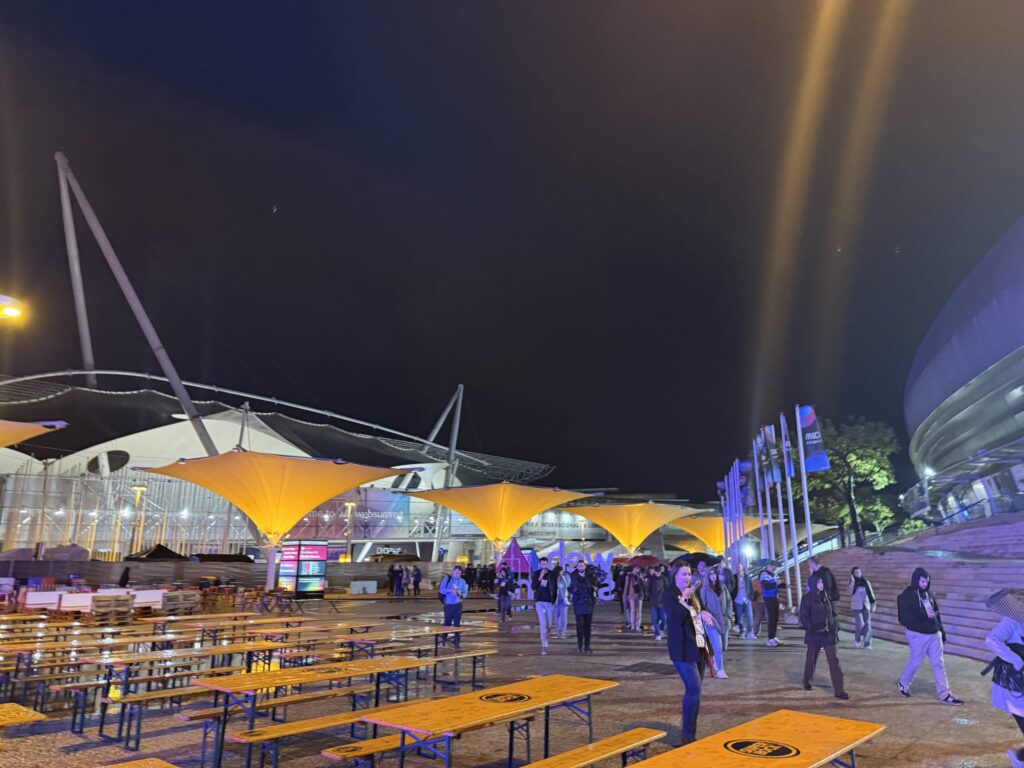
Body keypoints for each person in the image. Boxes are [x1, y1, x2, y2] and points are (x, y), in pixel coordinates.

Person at [664, 558, 713, 746]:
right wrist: (683, 598)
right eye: (683, 574)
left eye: (689, 574)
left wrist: (705, 612)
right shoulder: (668, 594)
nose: (687, 577)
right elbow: (676, 617)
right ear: (675, 576)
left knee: (696, 691)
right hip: (681, 647)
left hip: (698, 644)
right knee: (693, 688)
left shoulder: (693, 591)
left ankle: (690, 732)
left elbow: (699, 608)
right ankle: (687, 736)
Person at [896, 567, 963, 705]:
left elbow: (936, 614)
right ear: (916, 580)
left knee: (938, 663)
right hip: (917, 634)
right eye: (922, 581)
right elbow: (903, 618)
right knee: (916, 661)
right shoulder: (907, 595)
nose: (925, 584)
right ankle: (903, 683)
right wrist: (923, 615)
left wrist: (941, 631)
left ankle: (945, 694)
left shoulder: (929, 594)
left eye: (927, 582)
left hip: (934, 634)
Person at [983, 595, 1024, 768]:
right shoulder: (1011, 620)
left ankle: (1019, 758)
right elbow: (991, 639)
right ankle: (1019, 759)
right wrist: (1016, 660)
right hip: (1015, 680)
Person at [799, 572, 849, 699]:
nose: (821, 584)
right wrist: (813, 627)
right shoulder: (807, 598)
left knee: (834, 661)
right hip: (814, 634)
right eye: (818, 582)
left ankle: (839, 690)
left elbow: (833, 613)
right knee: (811, 659)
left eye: (822, 582)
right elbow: (803, 617)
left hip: (828, 634)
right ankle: (807, 680)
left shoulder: (827, 596)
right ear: (813, 584)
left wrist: (835, 625)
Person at [699, 567, 729, 678]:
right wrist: (707, 617)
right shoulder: (704, 589)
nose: (713, 576)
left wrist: (728, 616)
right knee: (718, 646)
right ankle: (720, 670)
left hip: (724, 621)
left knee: (724, 646)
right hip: (711, 621)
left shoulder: (723, 587)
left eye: (715, 573)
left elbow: (729, 602)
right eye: (711, 574)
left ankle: (716, 661)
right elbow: (702, 606)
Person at [569, 560, 599, 653]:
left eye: (582, 566)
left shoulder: (590, 576)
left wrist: (594, 588)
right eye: (579, 566)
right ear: (577, 567)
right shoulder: (573, 576)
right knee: (580, 626)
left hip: (589, 603)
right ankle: (580, 646)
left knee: (588, 626)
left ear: (585, 567)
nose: (581, 567)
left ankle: (587, 646)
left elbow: (596, 585)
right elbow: (572, 589)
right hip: (578, 603)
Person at [439, 565, 468, 648]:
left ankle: (456, 643)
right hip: (449, 606)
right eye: (456, 573)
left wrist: (460, 595)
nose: (457, 575)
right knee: (447, 624)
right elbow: (441, 590)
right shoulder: (447, 579)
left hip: (458, 606)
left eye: (459, 573)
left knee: (457, 625)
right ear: (453, 572)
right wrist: (450, 590)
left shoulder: (462, 581)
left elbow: (465, 593)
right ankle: (443, 639)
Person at [532, 556, 556, 655]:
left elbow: (555, 588)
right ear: (539, 564)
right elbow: (533, 586)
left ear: (547, 564)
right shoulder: (536, 573)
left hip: (549, 603)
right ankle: (544, 645)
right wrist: (540, 577)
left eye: (545, 564)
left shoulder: (552, 574)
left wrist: (554, 601)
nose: (543, 566)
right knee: (543, 625)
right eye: (542, 564)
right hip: (539, 602)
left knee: (549, 625)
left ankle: (547, 634)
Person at [849, 566, 876, 649]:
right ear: (853, 574)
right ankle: (857, 640)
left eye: (859, 572)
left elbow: (871, 593)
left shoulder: (865, 581)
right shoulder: (852, 582)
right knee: (860, 624)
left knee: (868, 624)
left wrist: (873, 604)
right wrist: (853, 581)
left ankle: (867, 644)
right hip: (856, 607)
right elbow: (850, 592)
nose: (858, 574)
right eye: (856, 572)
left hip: (866, 605)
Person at [759, 562, 786, 646]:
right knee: (771, 618)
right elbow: (766, 585)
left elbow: (778, 584)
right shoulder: (764, 574)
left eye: (775, 567)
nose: (775, 569)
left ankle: (773, 636)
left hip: (774, 597)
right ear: (769, 566)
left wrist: (784, 585)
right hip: (769, 598)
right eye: (773, 567)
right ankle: (770, 639)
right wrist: (776, 583)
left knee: (775, 618)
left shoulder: (773, 574)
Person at [733, 563, 755, 640]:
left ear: (743, 568)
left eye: (739, 567)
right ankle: (742, 632)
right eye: (737, 567)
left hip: (747, 600)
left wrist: (750, 598)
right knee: (739, 618)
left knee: (750, 617)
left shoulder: (747, 577)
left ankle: (750, 633)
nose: (738, 569)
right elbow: (731, 588)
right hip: (738, 600)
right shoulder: (734, 577)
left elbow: (751, 588)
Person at [648, 564, 669, 640]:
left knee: (664, 618)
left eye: (658, 572)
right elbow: (648, 589)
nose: (657, 573)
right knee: (655, 619)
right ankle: (658, 634)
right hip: (653, 602)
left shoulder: (664, 579)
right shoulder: (651, 579)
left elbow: (667, 589)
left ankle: (660, 629)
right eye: (656, 572)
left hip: (662, 602)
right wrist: (650, 597)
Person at [623, 565, 646, 631]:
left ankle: (637, 625)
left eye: (638, 568)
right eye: (637, 568)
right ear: (633, 569)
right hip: (631, 595)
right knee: (633, 611)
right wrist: (624, 596)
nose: (638, 570)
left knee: (639, 611)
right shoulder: (628, 577)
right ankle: (633, 625)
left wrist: (642, 578)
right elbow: (626, 587)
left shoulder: (640, 576)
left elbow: (643, 585)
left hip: (639, 595)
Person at [554, 565, 570, 640]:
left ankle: (563, 632)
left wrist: (567, 575)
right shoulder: (553, 579)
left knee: (564, 617)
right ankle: (558, 632)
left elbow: (568, 585)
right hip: (556, 601)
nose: (562, 572)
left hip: (563, 600)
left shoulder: (564, 578)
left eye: (562, 571)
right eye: (561, 571)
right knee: (557, 617)